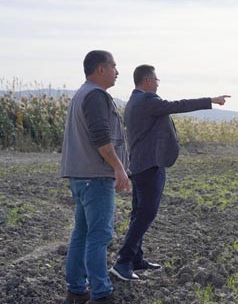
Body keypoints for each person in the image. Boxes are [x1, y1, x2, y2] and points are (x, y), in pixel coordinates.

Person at [109, 64, 230, 281]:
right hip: (149, 166)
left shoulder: (133, 101)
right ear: (147, 81)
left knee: (139, 213)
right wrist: (210, 100)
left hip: (139, 165)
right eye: (156, 80)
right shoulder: (147, 100)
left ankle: (136, 258)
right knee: (146, 214)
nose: (157, 83)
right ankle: (123, 261)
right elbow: (178, 105)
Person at [61, 50, 130, 304]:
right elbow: (101, 137)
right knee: (99, 236)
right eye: (113, 66)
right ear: (100, 69)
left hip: (80, 176)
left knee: (81, 233)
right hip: (95, 176)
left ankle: (77, 291)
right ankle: (101, 294)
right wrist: (119, 168)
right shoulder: (95, 96)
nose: (117, 71)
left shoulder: (81, 93)